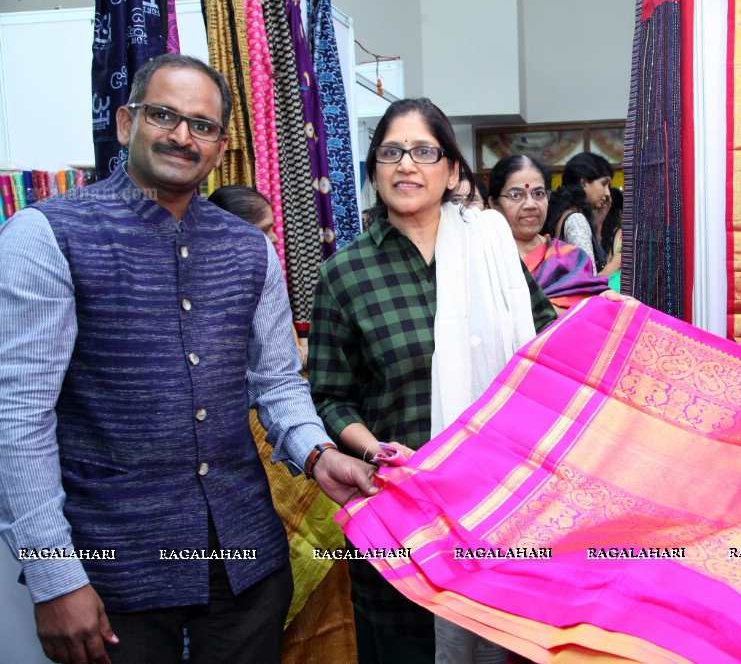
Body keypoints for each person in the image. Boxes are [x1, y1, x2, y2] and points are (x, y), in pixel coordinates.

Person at [0, 53, 377, 664]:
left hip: (244, 560)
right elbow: (20, 419)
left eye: (201, 125)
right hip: (114, 568)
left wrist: (318, 453)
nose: (181, 135)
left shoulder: (248, 249)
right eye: (163, 115)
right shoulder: (46, 236)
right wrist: (53, 575)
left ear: (221, 145)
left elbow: (278, 382)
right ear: (126, 123)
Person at [308, 98, 556, 664]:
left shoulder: (490, 249)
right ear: (374, 170)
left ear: (450, 170)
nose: (406, 165)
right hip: (400, 510)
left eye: (424, 151)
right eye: (391, 152)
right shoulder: (346, 273)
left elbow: (545, 349)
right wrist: (381, 453)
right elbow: (329, 393)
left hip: (499, 506)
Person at [208, 184, 358, 664]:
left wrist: (318, 455)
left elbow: (278, 386)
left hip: (283, 483)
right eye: (261, 234)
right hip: (235, 497)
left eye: (272, 236)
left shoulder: (267, 288)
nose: (269, 249)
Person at [488, 154, 611, 316]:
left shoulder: (570, 258)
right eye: (516, 195)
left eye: (538, 193)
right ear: (494, 204)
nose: (530, 204)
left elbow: (593, 314)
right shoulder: (487, 258)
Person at [544, 151, 619, 276]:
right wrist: (616, 262)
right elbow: (589, 279)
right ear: (584, 183)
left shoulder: (565, 214)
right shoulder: (576, 220)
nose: (607, 193)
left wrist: (597, 225)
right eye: (604, 184)